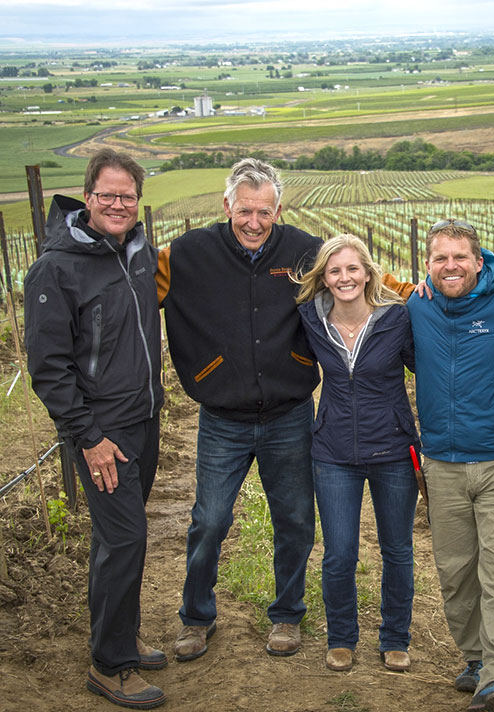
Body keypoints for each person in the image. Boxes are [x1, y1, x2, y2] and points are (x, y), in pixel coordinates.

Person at [156, 157, 323, 661]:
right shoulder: (185, 255)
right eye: (244, 210)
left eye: (265, 212)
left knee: (294, 518)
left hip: (288, 412)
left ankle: (288, 615)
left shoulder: (305, 252)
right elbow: (128, 291)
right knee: (210, 519)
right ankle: (195, 617)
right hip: (222, 417)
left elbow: (360, 280)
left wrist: (424, 291)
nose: (254, 222)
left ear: (278, 209)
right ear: (226, 204)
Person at [24, 149, 166, 709]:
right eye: (106, 195)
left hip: (144, 420)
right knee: (125, 538)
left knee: (120, 541)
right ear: (87, 197)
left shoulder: (135, 249)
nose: (116, 204)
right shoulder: (56, 268)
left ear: (137, 202)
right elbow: (48, 367)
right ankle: (110, 666)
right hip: (101, 432)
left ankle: (119, 635)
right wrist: (87, 436)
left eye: (126, 196)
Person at [399, 219, 494, 712]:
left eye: (460, 257)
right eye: (440, 258)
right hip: (441, 463)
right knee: (456, 573)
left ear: (480, 260)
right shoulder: (416, 305)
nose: (450, 266)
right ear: (427, 265)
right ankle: (475, 659)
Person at [296, 235, 420, 673]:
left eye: (353, 269)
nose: (344, 277)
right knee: (339, 552)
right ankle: (342, 637)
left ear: (368, 272)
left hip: (393, 450)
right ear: (324, 279)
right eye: (335, 271)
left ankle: (394, 638)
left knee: (398, 549)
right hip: (332, 452)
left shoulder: (397, 319)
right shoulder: (309, 320)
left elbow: (427, 360)